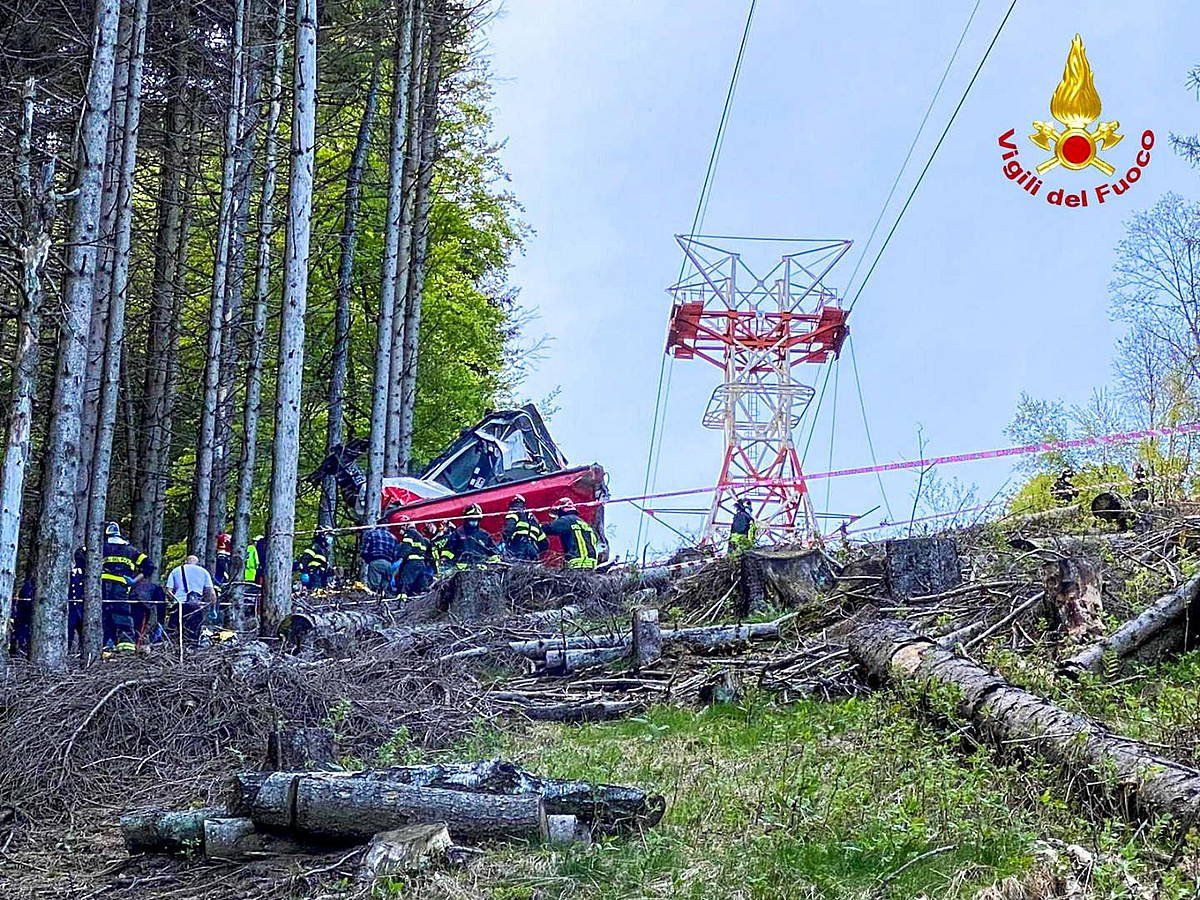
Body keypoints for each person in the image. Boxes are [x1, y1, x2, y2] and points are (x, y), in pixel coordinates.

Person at [102, 522, 154, 651]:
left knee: (104, 614)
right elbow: (149, 566)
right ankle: (126, 644)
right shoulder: (130, 550)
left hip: (102, 586)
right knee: (122, 614)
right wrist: (134, 580)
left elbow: (80, 555)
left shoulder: (100, 546)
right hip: (122, 587)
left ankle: (107, 643)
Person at [165, 555, 218, 644]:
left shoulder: (176, 571)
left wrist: (173, 601)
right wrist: (213, 609)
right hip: (196, 607)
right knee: (193, 633)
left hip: (179, 605)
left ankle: (174, 650)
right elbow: (212, 593)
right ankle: (191, 651)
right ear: (197, 563)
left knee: (174, 633)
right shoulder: (204, 572)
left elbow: (168, 591)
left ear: (186, 561)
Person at [543, 498, 599, 570]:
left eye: (557, 514)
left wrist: (535, 525)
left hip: (577, 563)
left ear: (562, 509)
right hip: (591, 564)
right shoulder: (585, 524)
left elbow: (550, 529)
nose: (556, 518)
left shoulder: (567, 520)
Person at [394, 516, 434, 596]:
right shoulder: (422, 538)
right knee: (421, 585)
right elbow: (429, 554)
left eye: (400, 529)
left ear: (404, 526)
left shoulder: (409, 533)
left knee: (405, 583)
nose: (400, 532)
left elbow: (406, 546)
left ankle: (401, 600)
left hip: (411, 563)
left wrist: (400, 557)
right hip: (421, 564)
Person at [503, 495, 547, 562]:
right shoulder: (533, 519)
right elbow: (544, 542)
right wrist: (537, 550)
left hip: (519, 545)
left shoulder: (514, 512)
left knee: (518, 567)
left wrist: (506, 541)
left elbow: (509, 528)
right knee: (533, 569)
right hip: (533, 548)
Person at [361, 525, 402, 595]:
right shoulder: (393, 537)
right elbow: (396, 554)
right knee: (384, 589)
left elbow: (365, 551)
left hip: (375, 562)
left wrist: (367, 560)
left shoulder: (372, 534)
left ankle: (375, 602)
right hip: (388, 564)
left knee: (374, 588)